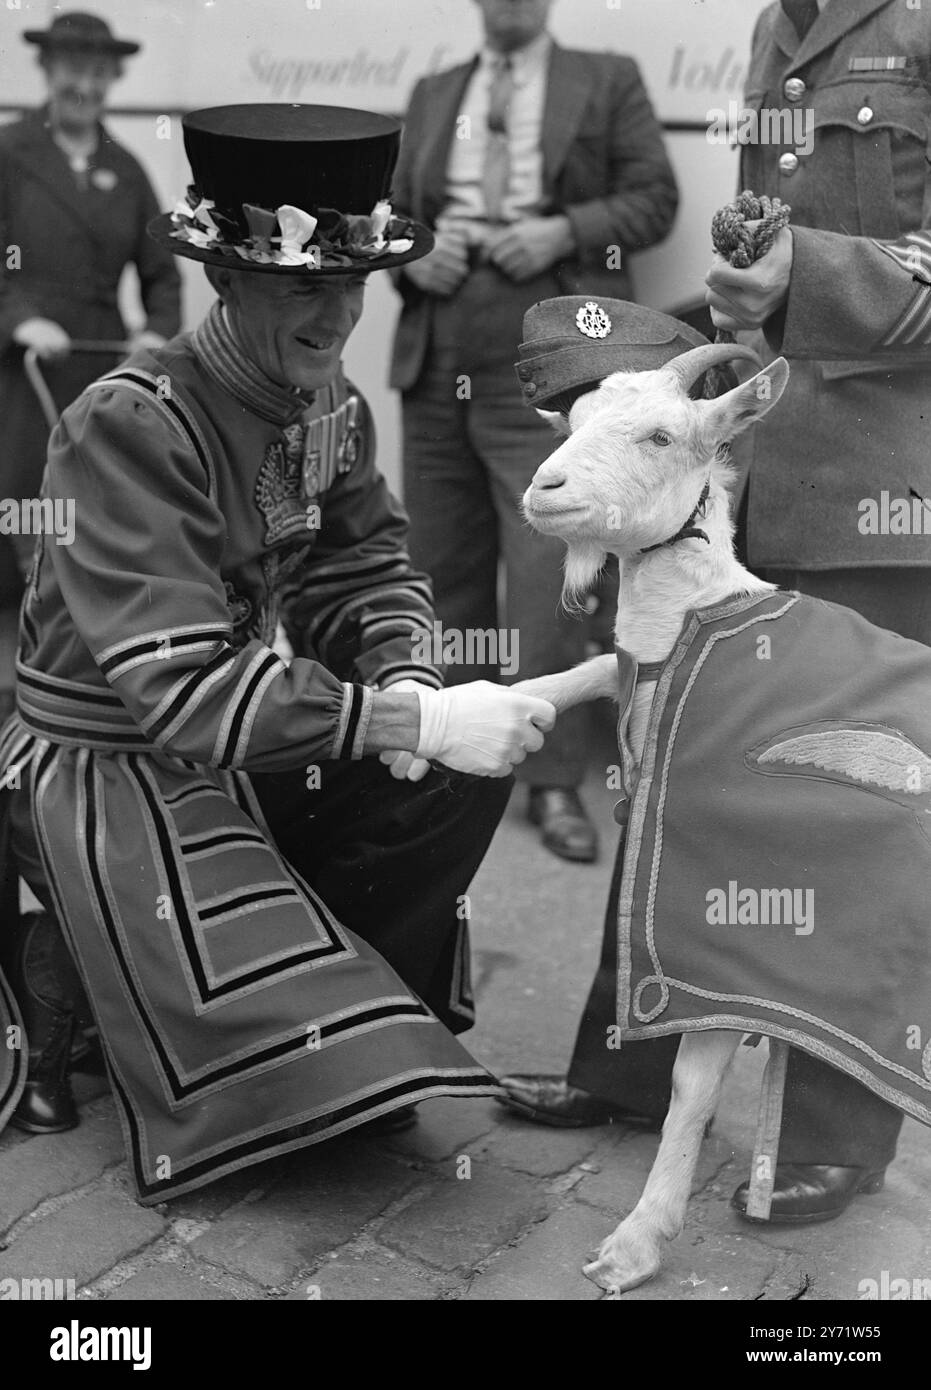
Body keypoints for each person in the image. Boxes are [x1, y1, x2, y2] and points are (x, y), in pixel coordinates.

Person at [0, 102, 556, 1205]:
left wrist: (405, 674)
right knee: (301, 1100)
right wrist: (413, 719)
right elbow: (181, 692)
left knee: (455, 777)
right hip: (115, 769)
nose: (339, 312)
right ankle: (91, 975)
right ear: (230, 281)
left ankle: (350, 986)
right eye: (307, 283)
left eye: (354, 283)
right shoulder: (129, 422)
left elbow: (369, 567)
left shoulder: (328, 402)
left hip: (239, 741)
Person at [501, 0, 931, 1228]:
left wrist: (806, 277)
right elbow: (756, 265)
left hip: (882, 499)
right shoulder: (770, 25)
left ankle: (837, 1136)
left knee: (843, 811)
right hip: (751, 478)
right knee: (666, 766)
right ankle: (631, 1066)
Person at [389, 0, 678, 864]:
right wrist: (413, 249)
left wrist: (562, 228)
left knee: (548, 574)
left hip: (550, 361)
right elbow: (392, 218)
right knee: (442, 567)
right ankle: (447, 757)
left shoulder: (605, 78)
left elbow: (653, 200)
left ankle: (550, 779)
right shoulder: (435, 90)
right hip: (439, 350)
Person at [0, 12, 182, 718]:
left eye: (98, 72)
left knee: (95, 520)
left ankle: (80, 679)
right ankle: (11, 686)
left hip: (99, 373)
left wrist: (153, 333)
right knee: (19, 514)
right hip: (21, 374)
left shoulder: (126, 167)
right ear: (47, 72)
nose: (84, 83)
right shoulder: (10, 151)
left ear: (114, 79)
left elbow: (163, 275)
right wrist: (21, 319)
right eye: (72, 68)